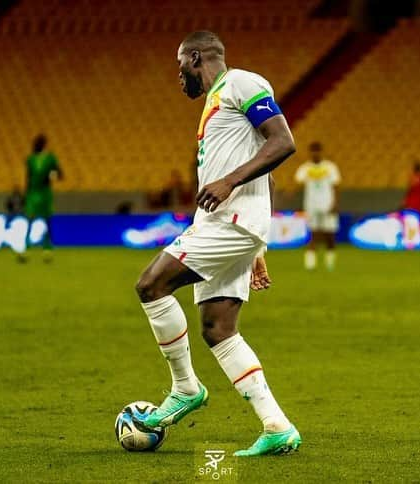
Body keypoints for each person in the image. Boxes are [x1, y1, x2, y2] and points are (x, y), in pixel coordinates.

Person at [133, 31, 301, 456]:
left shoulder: (241, 83)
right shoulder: (216, 104)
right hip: (234, 224)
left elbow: (283, 142)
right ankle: (277, 426)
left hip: (231, 220)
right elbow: (269, 173)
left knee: (151, 286)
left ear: (195, 58)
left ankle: (185, 388)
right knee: (218, 330)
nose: (179, 78)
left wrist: (228, 183)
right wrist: (258, 247)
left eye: (179, 68)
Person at [294, 141, 341, 270]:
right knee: (313, 234)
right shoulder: (305, 168)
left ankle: (330, 264)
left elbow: (336, 186)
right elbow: (296, 184)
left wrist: (335, 203)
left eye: (317, 150)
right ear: (309, 152)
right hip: (311, 206)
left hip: (328, 204)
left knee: (330, 236)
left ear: (321, 152)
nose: (315, 153)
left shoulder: (330, 167)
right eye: (313, 151)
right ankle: (310, 265)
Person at [21, 134, 63, 262]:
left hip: (45, 193)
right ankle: (26, 250)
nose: (37, 145)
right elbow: (27, 177)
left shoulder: (51, 158)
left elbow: (60, 174)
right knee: (30, 220)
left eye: (39, 143)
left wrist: (52, 176)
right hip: (33, 193)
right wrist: (25, 193)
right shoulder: (30, 159)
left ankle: (47, 250)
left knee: (46, 221)